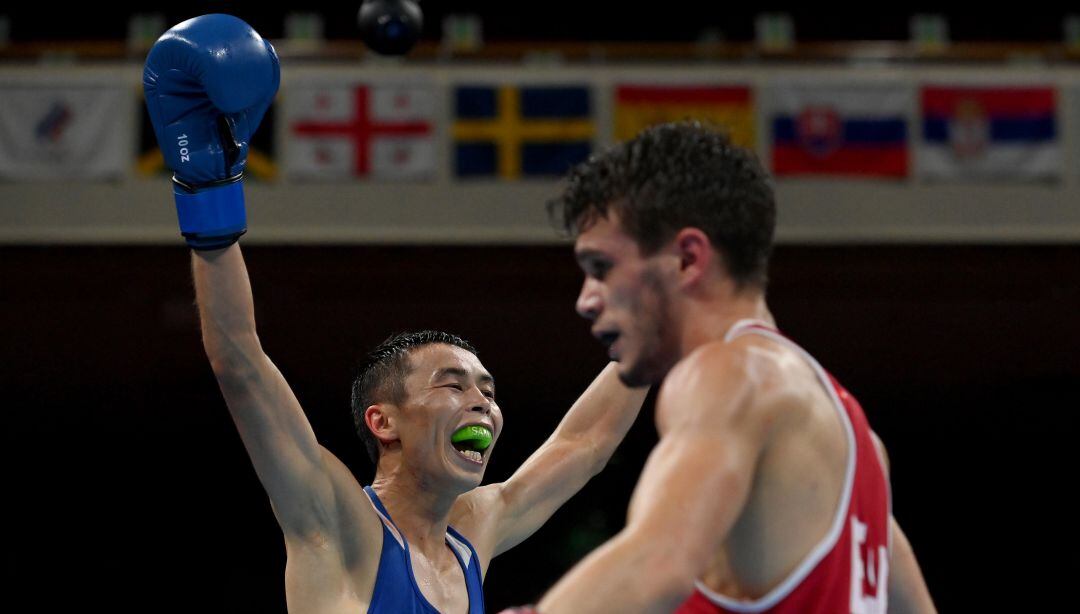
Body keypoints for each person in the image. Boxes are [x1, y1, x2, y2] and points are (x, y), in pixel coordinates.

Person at [143, 15, 647, 613]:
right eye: (452, 384)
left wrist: (656, 326)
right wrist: (209, 197)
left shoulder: (472, 534)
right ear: (384, 422)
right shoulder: (337, 522)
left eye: (487, 389)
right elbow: (239, 363)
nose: (482, 402)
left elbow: (584, 444)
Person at [517, 121, 936, 613]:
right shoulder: (860, 440)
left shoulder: (730, 374)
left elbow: (655, 566)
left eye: (601, 269)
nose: (586, 300)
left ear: (688, 259)